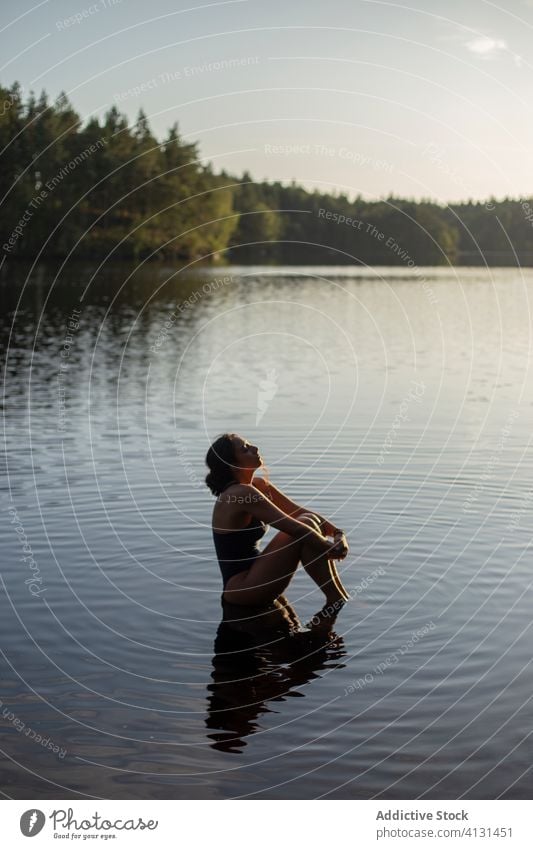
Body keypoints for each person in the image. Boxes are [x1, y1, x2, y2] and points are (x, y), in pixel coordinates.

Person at [205, 432, 351, 613]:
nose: (255, 448)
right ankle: (337, 600)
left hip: (256, 575)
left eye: (250, 445)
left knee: (309, 521)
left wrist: (338, 534)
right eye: (245, 449)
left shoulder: (257, 486)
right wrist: (330, 549)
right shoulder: (239, 494)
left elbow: (299, 512)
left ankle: (339, 597)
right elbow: (294, 528)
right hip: (242, 589)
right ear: (232, 464)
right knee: (305, 528)